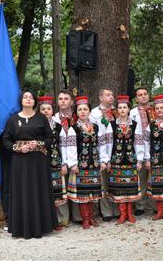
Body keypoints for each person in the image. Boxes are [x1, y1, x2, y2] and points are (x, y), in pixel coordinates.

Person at [3, 90, 58, 239]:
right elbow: (6, 140)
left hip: (38, 161)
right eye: (25, 97)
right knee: (22, 191)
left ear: (35, 101)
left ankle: (42, 225)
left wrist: (38, 143)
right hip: (20, 162)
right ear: (21, 100)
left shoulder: (41, 118)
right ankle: (21, 227)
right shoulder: (13, 120)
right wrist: (18, 148)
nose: (28, 99)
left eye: (31, 98)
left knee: (38, 190)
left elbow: (50, 138)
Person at [66, 96, 108, 229]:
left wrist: (103, 160)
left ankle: (91, 218)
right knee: (82, 193)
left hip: (94, 164)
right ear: (76, 112)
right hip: (81, 165)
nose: (83, 112)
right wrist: (73, 163)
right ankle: (85, 219)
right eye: (80, 109)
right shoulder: (74, 129)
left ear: (89, 111)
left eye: (85, 109)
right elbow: (71, 147)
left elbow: (101, 144)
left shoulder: (96, 127)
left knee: (92, 192)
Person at [105, 95, 144, 224]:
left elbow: (138, 143)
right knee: (119, 188)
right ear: (117, 110)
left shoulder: (135, 125)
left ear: (128, 109)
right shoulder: (111, 125)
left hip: (131, 159)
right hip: (116, 160)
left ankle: (130, 213)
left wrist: (139, 160)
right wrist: (108, 160)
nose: (122, 110)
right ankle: (122, 214)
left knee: (130, 187)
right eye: (120, 108)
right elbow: (109, 144)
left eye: (124, 107)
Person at [38, 96, 69, 229]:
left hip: (55, 160)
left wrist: (64, 163)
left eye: (48, 109)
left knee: (57, 189)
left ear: (52, 111)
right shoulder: (35, 125)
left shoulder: (58, 127)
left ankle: (60, 219)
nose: (46, 111)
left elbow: (64, 145)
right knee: (42, 189)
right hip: (39, 160)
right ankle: (45, 219)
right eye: (43, 109)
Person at [53, 90, 82, 224]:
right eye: (60, 98)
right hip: (59, 158)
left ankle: (79, 216)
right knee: (62, 187)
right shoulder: (53, 119)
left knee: (76, 185)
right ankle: (63, 218)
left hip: (79, 157)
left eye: (66, 98)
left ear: (72, 102)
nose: (63, 101)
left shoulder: (79, 117)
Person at [89, 88, 119, 221]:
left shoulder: (117, 111)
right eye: (108, 95)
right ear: (101, 98)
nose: (111, 97)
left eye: (112, 95)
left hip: (118, 149)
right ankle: (106, 212)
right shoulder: (94, 113)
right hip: (102, 148)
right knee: (104, 182)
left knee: (117, 180)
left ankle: (118, 210)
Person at [130, 87, 156, 215]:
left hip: (155, 146)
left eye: (145, 94)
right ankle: (140, 205)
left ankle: (154, 205)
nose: (143, 96)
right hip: (139, 146)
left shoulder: (155, 109)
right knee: (140, 178)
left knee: (155, 177)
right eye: (140, 95)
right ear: (136, 98)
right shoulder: (132, 112)